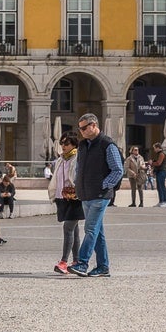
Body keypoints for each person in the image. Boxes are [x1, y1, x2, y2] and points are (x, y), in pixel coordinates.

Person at [67, 113, 124, 278]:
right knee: (98, 231)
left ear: (94, 125)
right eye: (80, 129)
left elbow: (118, 170)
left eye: (84, 128)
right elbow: (79, 168)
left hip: (100, 194)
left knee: (90, 228)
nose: (82, 131)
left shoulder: (107, 145)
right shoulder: (83, 145)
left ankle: (82, 263)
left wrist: (103, 185)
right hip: (85, 194)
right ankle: (103, 266)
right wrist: (78, 185)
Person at [49, 133, 82, 276]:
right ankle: (77, 261)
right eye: (62, 143)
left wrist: (77, 189)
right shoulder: (60, 160)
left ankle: (63, 262)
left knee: (68, 228)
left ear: (74, 145)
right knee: (74, 230)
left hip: (76, 199)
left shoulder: (79, 159)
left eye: (66, 143)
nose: (63, 146)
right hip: (62, 198)